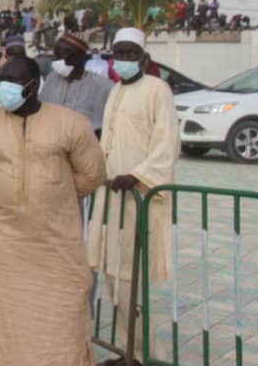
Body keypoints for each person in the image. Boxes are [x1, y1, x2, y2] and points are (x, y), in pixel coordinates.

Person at [0, 56, 106, 366]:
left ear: (33, 85)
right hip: (8, 245)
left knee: (63, 319)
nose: (4, 86)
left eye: (12, 80)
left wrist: (56, 198)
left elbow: (92, 174)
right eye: (2, 79)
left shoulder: (70, 123)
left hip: (57, 245)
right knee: (8, 323)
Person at [87, 27, 179, 366]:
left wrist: (138, 176)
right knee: (112, 275)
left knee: (130, 278)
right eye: (118, 53)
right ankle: (128, 351)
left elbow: (167, 144)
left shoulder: (158, 90)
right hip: (111, 196)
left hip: (138, 197)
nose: (123, 60)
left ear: (144, 58)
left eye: (130, 54)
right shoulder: (115, 92)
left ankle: (144, 355)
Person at [41, 32, 114, 139]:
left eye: (64, 55)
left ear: (81, 56)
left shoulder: (104, 87)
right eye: (56, 56)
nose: (59, 61)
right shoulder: (52, 78)